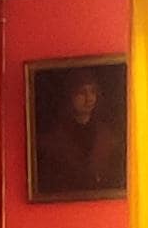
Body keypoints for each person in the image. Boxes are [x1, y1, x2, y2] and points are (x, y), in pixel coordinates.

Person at [34, 66, 122, 197]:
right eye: (82, 93)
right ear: (69, 97)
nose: (89, 98)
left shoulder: (108, 137)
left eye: (92, 92)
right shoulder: (53, 140)